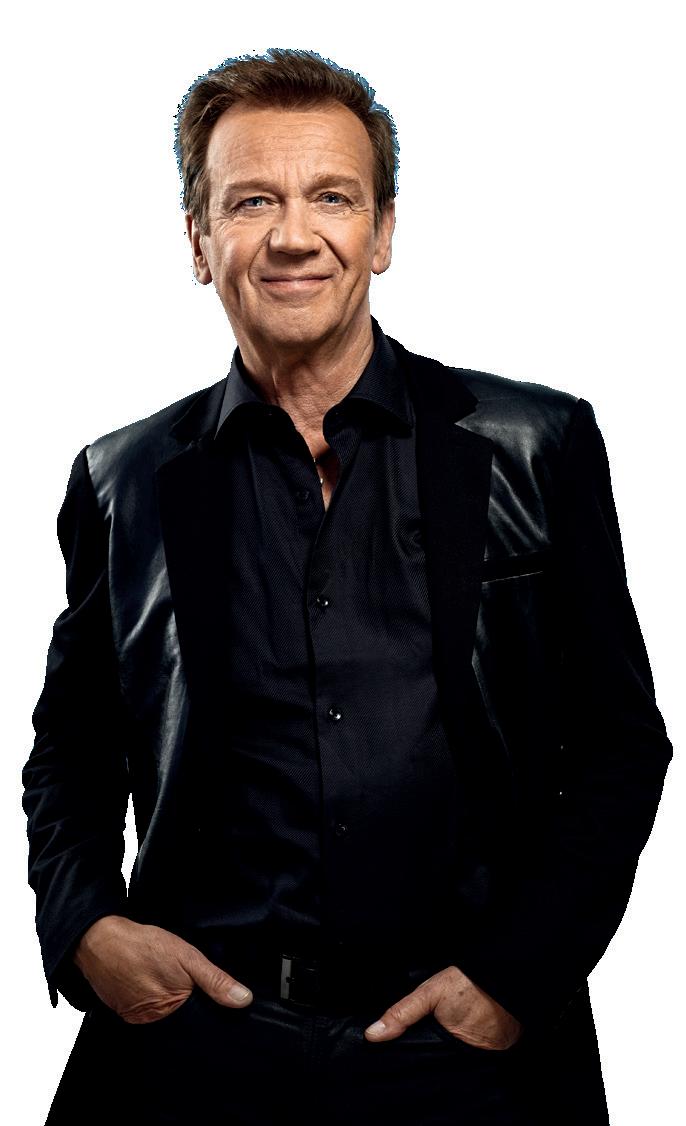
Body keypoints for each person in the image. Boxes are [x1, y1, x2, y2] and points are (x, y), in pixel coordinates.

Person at [22, 47, 673, 1126]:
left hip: (472, 1060)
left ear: (383, 232)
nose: (293, 235)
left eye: (332, 197)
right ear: (199, 241)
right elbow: (72, 752)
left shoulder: (536, 444)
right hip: (195, 1051)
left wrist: (516, 976)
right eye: (251, 202)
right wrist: (87, 926)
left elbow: (618, 745)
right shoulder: (122, 479)